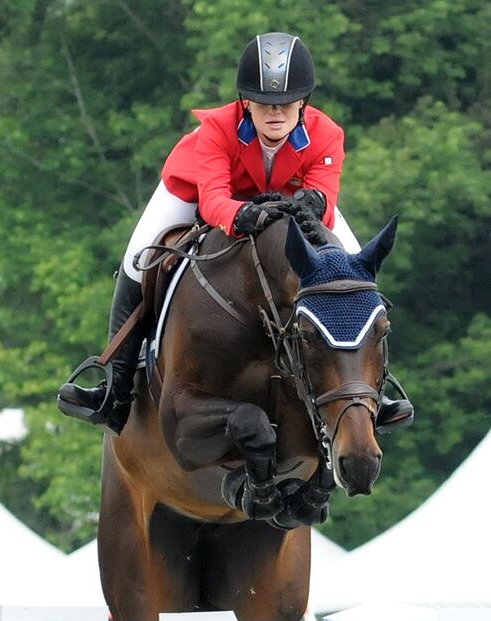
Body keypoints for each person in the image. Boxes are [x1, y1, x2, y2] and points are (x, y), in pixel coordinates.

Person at [57, 32, 412, 435]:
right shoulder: (217, 129)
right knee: (138, 258)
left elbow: (325, 199)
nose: (275, 113)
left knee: (353, 270)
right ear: (246, 102)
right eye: (263, 103)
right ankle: (114, 387)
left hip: (286, 199)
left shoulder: (327, 134)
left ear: (303, 102)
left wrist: (313, 203)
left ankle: (377, 391)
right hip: (194, 189)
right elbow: (213, 201)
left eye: (285, 103)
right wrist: (241, 215)